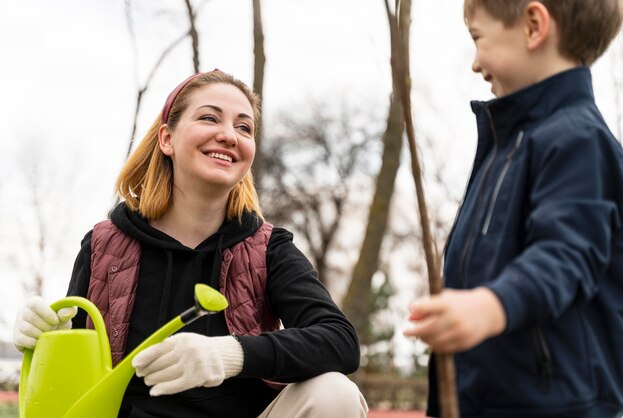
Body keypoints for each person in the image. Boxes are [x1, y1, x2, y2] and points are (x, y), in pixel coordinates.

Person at [13, 69, 368, 418]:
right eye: (210, 118)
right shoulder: (103, 245)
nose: (229, 135)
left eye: (244, 127)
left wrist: (226, 355)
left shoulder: (269, 249)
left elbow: (340, 341)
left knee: (334, 394)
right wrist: (45, 342)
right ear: (167, 139)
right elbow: (68, 389)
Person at [403, 1, 623, 417]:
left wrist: (488, 307)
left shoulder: (578, 141)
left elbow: (565, 256)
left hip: (556, 404)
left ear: (533, 26)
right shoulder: (506, 148)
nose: (474, 63)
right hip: (488, 398)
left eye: (478, 38)